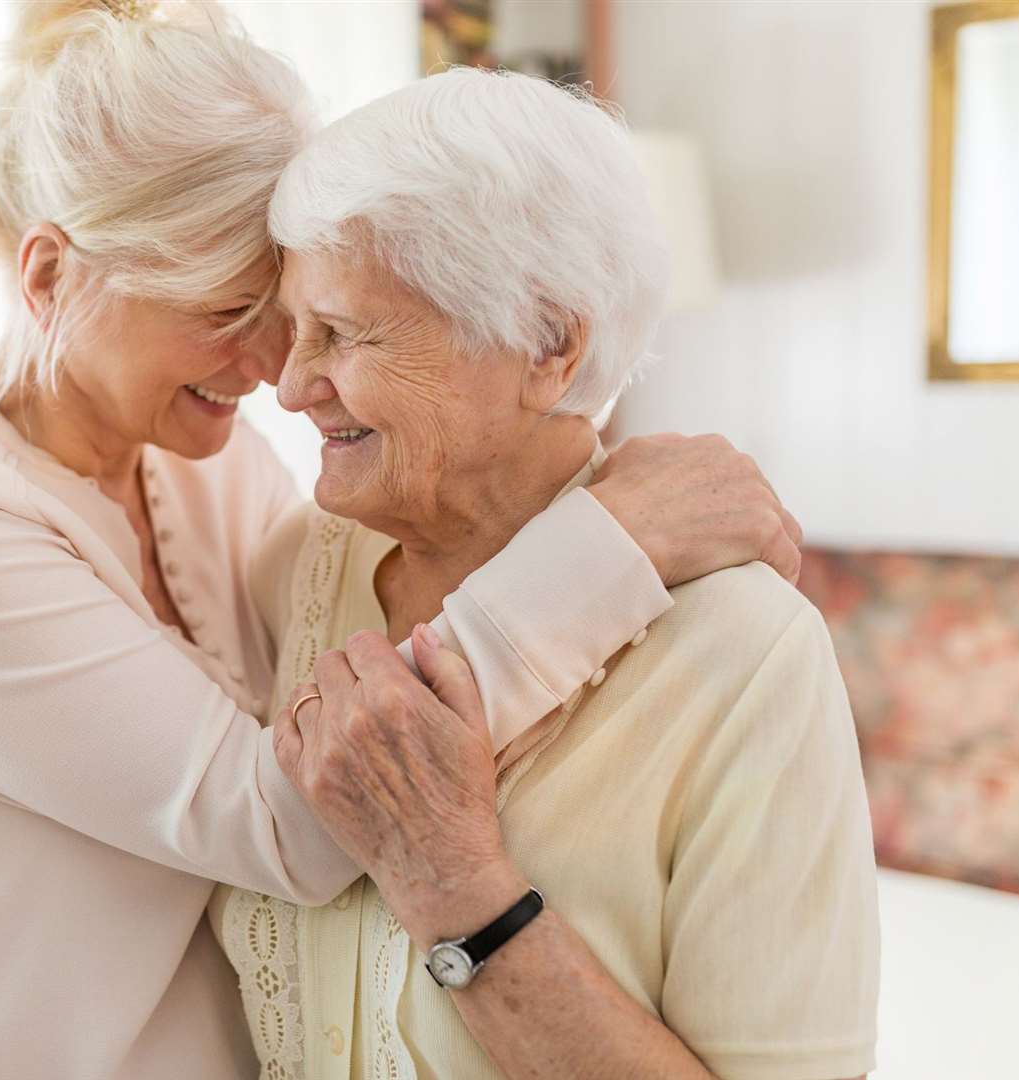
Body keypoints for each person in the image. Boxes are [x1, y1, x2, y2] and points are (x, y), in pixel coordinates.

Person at [0, 4, 805, 1077]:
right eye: (227, 309)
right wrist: (614, 542)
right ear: (48, 277)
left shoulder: (200, 460)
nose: (274, 367)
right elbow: (298, 822)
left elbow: (361, 632)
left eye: (286, 307)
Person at [219, 68, 879, 1079]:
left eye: (343, 334)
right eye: (293, 329)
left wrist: (451, 883)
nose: (293, 384)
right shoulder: (287, 573)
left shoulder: (746, 655)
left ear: (546, 345)